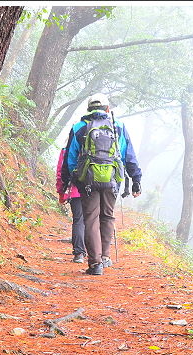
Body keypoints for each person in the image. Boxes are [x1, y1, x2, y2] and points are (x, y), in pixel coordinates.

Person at [65, 93, 142, 275]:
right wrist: (136, 180)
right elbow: (128, 156)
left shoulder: (79, 127)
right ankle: (106, 256)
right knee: (107, 216)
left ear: (89, 109)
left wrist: (71, 178)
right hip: (112, 179)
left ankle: (95, 264)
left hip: (87, 180)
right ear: (108, 109)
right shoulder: (118, 127)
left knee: (90, 219)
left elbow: (70, 157)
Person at [56, 148, 86, 263]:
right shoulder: (96, 146)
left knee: (78, 220)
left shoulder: (67, 149)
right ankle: (95, 252)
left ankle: (79, 254)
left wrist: (61, 191)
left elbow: (60, 171)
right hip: (94, 189)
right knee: (92, 220)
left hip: (75, 189)